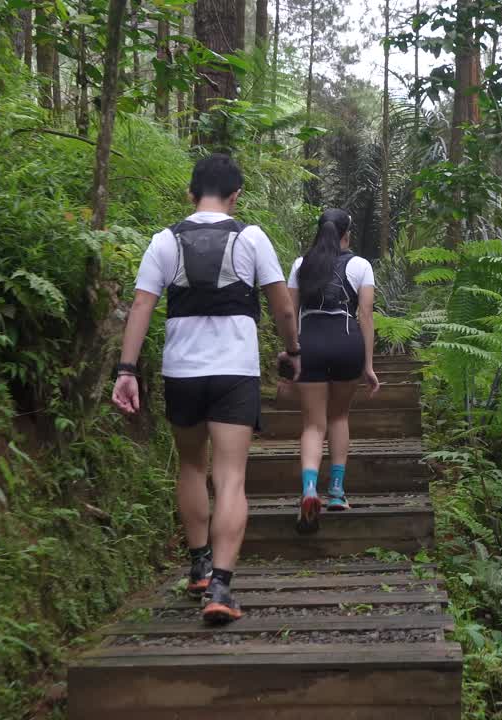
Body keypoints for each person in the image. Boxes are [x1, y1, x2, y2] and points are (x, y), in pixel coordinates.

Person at [111, 154, 301, 624]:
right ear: (236, 195)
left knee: (192, 466)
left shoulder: (164, 241)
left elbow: (140, 305)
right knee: (231, 476)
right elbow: (282, 309)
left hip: (182, 371)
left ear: (190, 194)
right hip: (235, 371)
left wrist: (126, 369)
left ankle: (197, 565)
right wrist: (292, 351)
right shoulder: (251, 238)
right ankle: (220, 585)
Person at [287, 209, 379, 534]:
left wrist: (290, 352)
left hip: (310, 344)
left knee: (313, 424)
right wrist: (367, 364)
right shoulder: (361, 265)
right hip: (345, 343)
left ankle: (309, 489)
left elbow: (289, 313)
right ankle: (337, 492)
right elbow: (365, 316)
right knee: (339, 417)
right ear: (347, 233)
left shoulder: (301, 265)